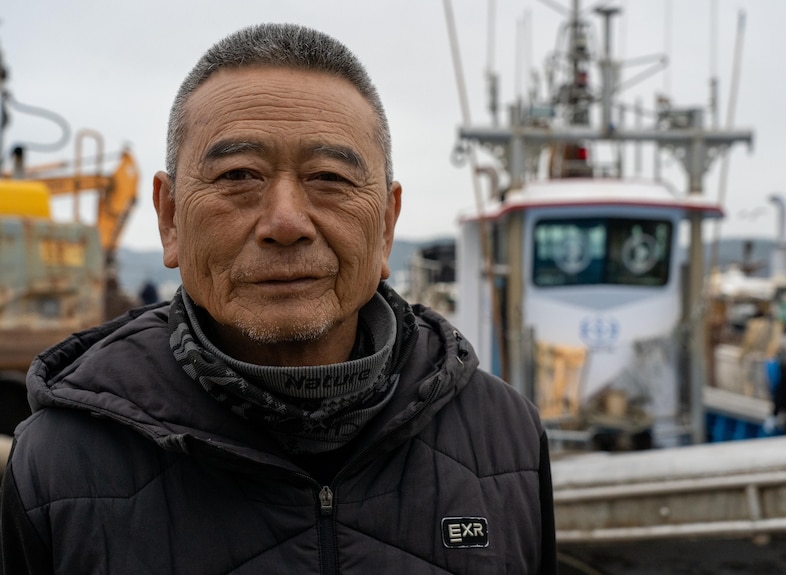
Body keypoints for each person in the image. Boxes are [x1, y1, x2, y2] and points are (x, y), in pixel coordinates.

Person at [0, 24, 556, 574]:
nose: (285, 223)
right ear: (169, 218)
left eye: (330, 177)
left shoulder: (505, 440)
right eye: (238, 174)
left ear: (386, 225)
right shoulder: (60, 465)